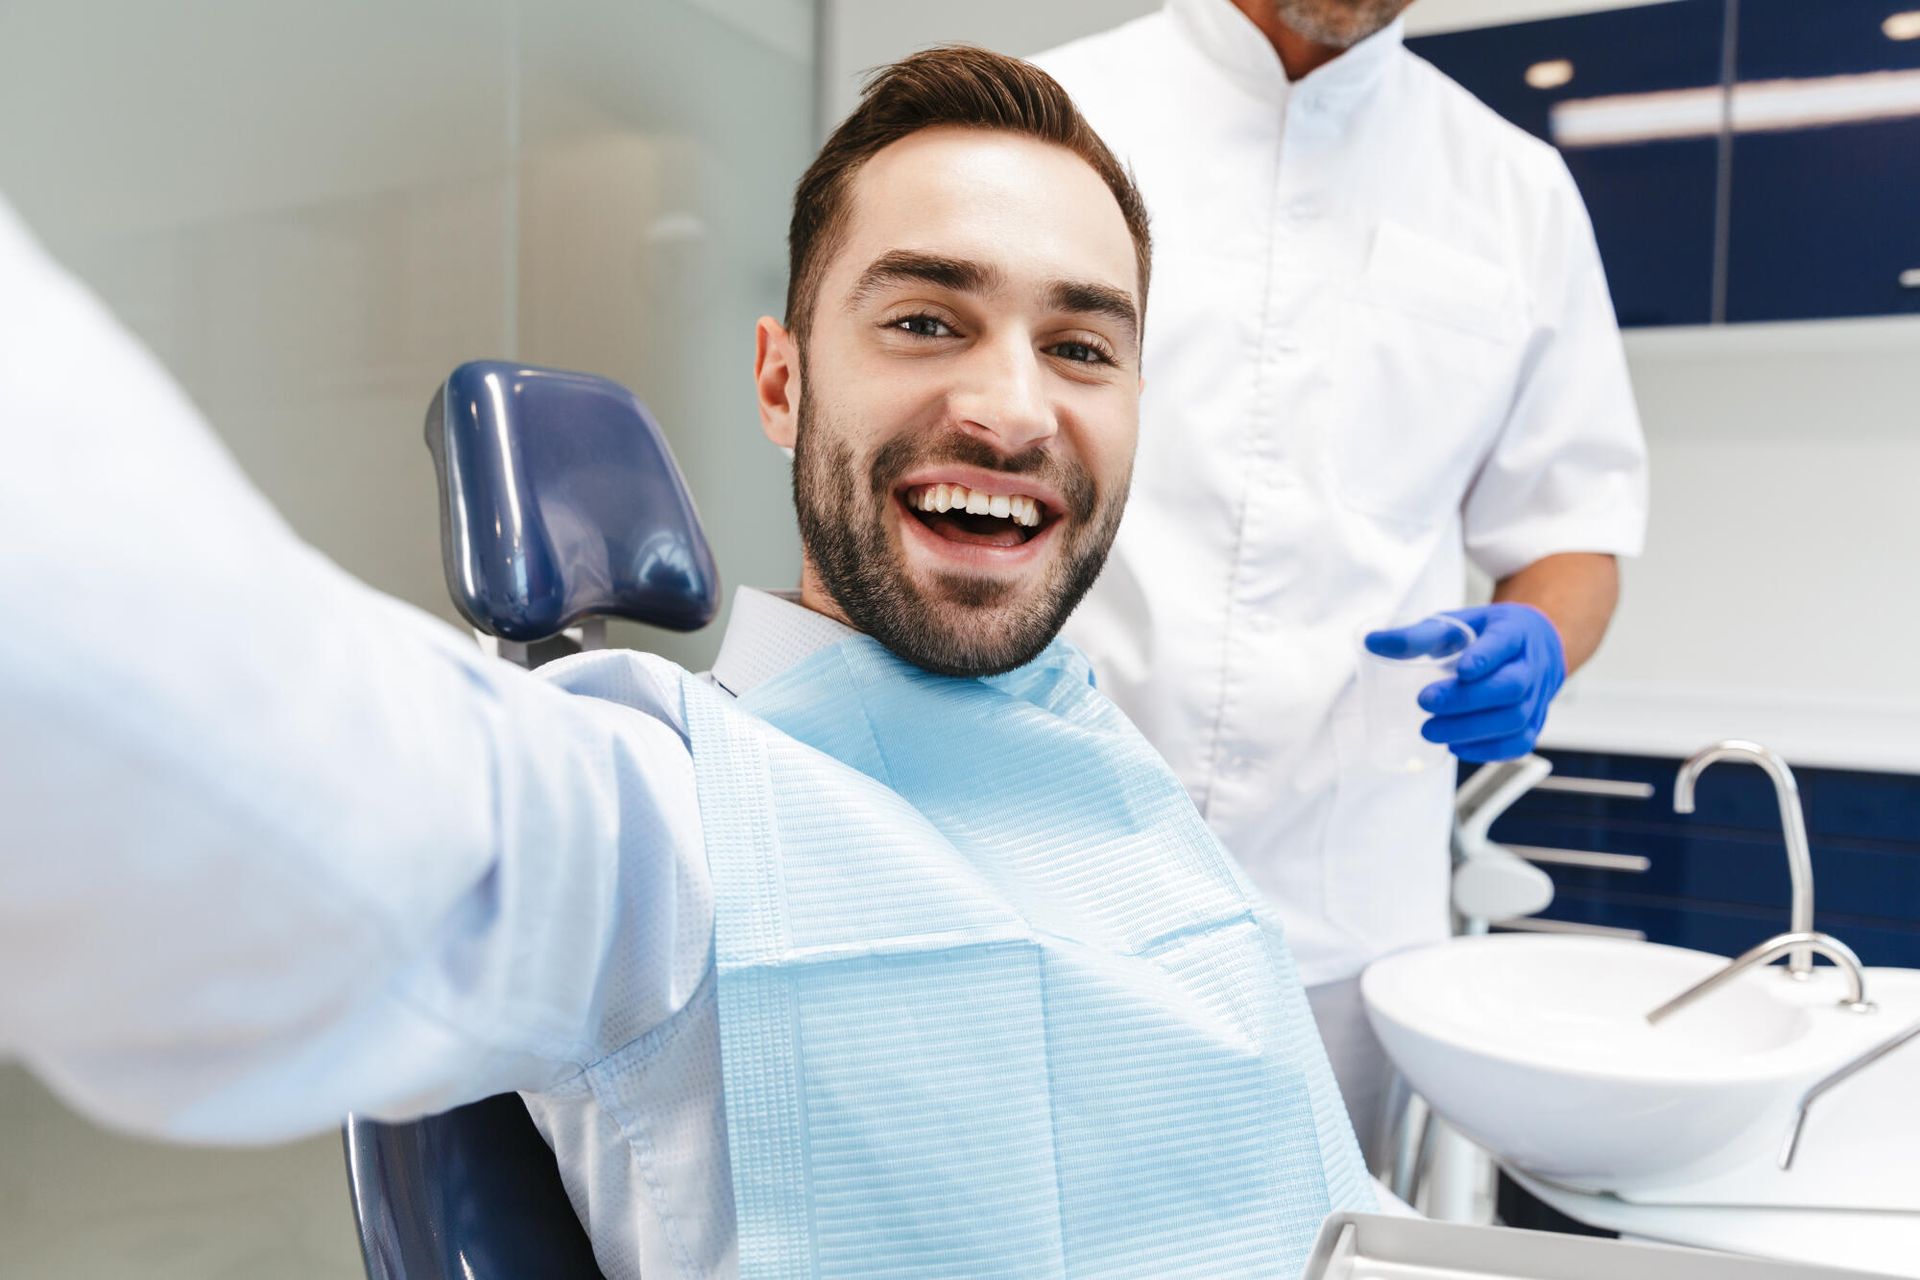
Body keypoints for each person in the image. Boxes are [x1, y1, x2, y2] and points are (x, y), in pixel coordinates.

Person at [0, 47, 1376, 1280]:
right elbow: (228, 780)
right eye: (924, 320)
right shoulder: (664, 817)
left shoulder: (1104, 760)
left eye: (1081, 346)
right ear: (781, 383)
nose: (1012, 408)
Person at [1034, 0, 1650, 1161]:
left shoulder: (1514, 193)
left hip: (1338, 916)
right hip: (1031, 859)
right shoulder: (1049, 122)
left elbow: (1572, 534)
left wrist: (1540, 642)